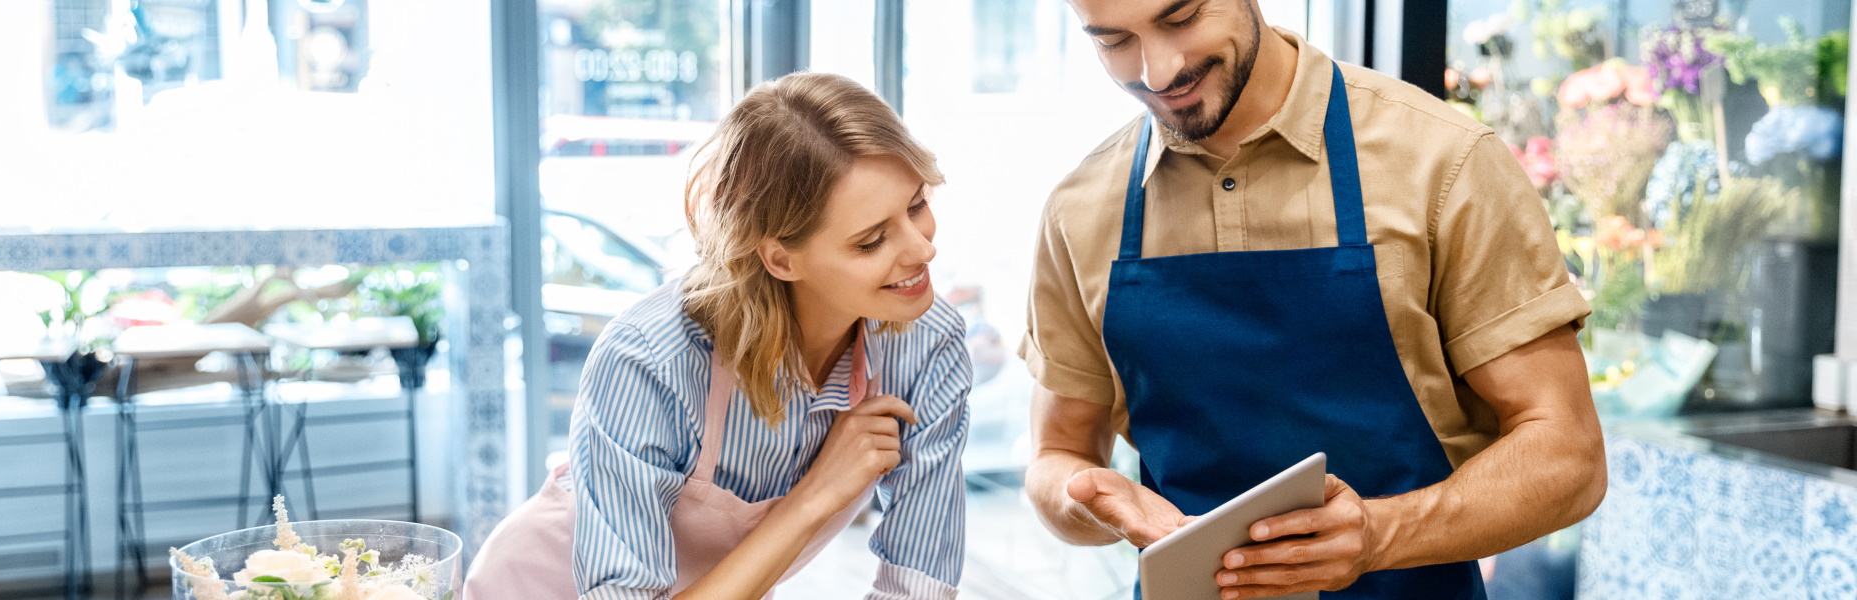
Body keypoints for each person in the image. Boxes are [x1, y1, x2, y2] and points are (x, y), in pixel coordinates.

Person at [1020, 1, 1607, 598]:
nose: (1157, 72)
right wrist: (1095, 504)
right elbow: (1056, 456)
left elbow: (1568, 457)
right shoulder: (1081, 209)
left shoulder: (1444, 163)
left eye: (1182, 19)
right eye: (1114, 41)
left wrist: (1380, 535)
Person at [465, 72, 971, 600]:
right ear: (780, 258)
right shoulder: (648, 362)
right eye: (871, 241)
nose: (922, 250)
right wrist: (814, 496)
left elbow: (917, 588)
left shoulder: (928, 346)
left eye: (916, 206)